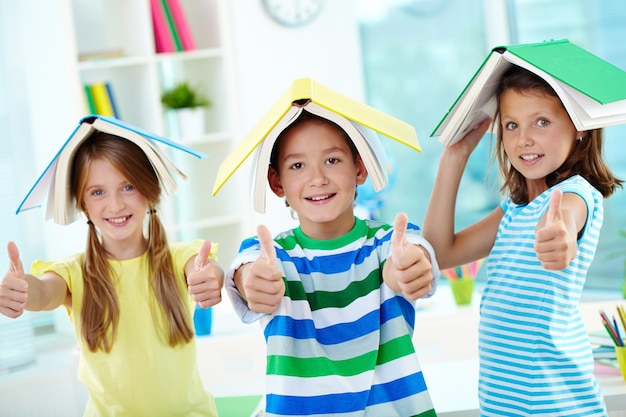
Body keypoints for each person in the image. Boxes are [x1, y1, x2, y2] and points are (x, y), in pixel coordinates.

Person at [423, 65, 623, 415]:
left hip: (556, 402)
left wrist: (561, 241)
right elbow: (438, 252)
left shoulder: (575, 195)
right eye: (512, 125)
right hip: (503, 401)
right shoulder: (514, 211)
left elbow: (565, 225)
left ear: (580, 129)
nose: (523, 139)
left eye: (541, 122)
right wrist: (453, 159)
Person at [226, 111, 440, 416]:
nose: (318, 179)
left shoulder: (389, 243)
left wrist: (408, 268)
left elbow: (406, 259)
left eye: (333, 160)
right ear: (277, 182)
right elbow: (248, 273)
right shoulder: (269, 255)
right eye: (297, 165)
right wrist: (254, 282)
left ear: (360, 168)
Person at [0, 132, 223, 416]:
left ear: (149, 190)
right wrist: (22, 290)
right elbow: (43, 292)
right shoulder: (73, 273)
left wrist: (210, 277)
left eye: (128, 187)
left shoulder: (180, 258)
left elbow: (204, 269)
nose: (115, 205)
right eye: (97, 192)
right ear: (83, 205)